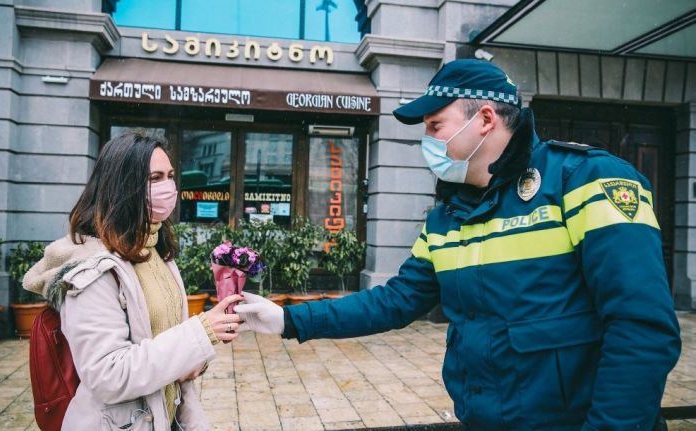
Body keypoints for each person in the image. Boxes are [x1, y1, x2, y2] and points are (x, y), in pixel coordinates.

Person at [234, 59, 682, 430]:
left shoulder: (587, 180)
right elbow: (395, 301)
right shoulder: (447, 216)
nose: (427, 141)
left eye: (435, 125)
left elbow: (641, 328)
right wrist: (288, 319)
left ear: (485, 119)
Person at [23, 131, 243, 430]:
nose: (168, 187)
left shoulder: (155, 252)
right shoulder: (92, 269)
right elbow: (108, 375)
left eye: (170, 176)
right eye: (155, 178)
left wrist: (194, 361)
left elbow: (163, 342)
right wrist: (200, 333)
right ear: (123, 186)